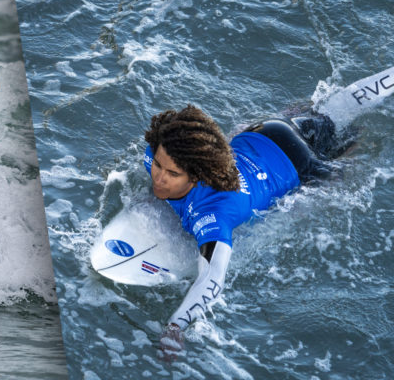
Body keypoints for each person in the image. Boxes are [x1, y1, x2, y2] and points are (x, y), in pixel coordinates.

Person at [143, 105, 354, 359]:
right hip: (265, 130)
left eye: (173, 174)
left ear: (198, 176)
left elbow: (212, 279)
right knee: (322, 113)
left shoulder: (214, 212)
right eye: (157, 165)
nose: (159, 177)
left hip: (298, 164)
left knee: (349, 161)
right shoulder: (160, 152)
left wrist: (176, 326)